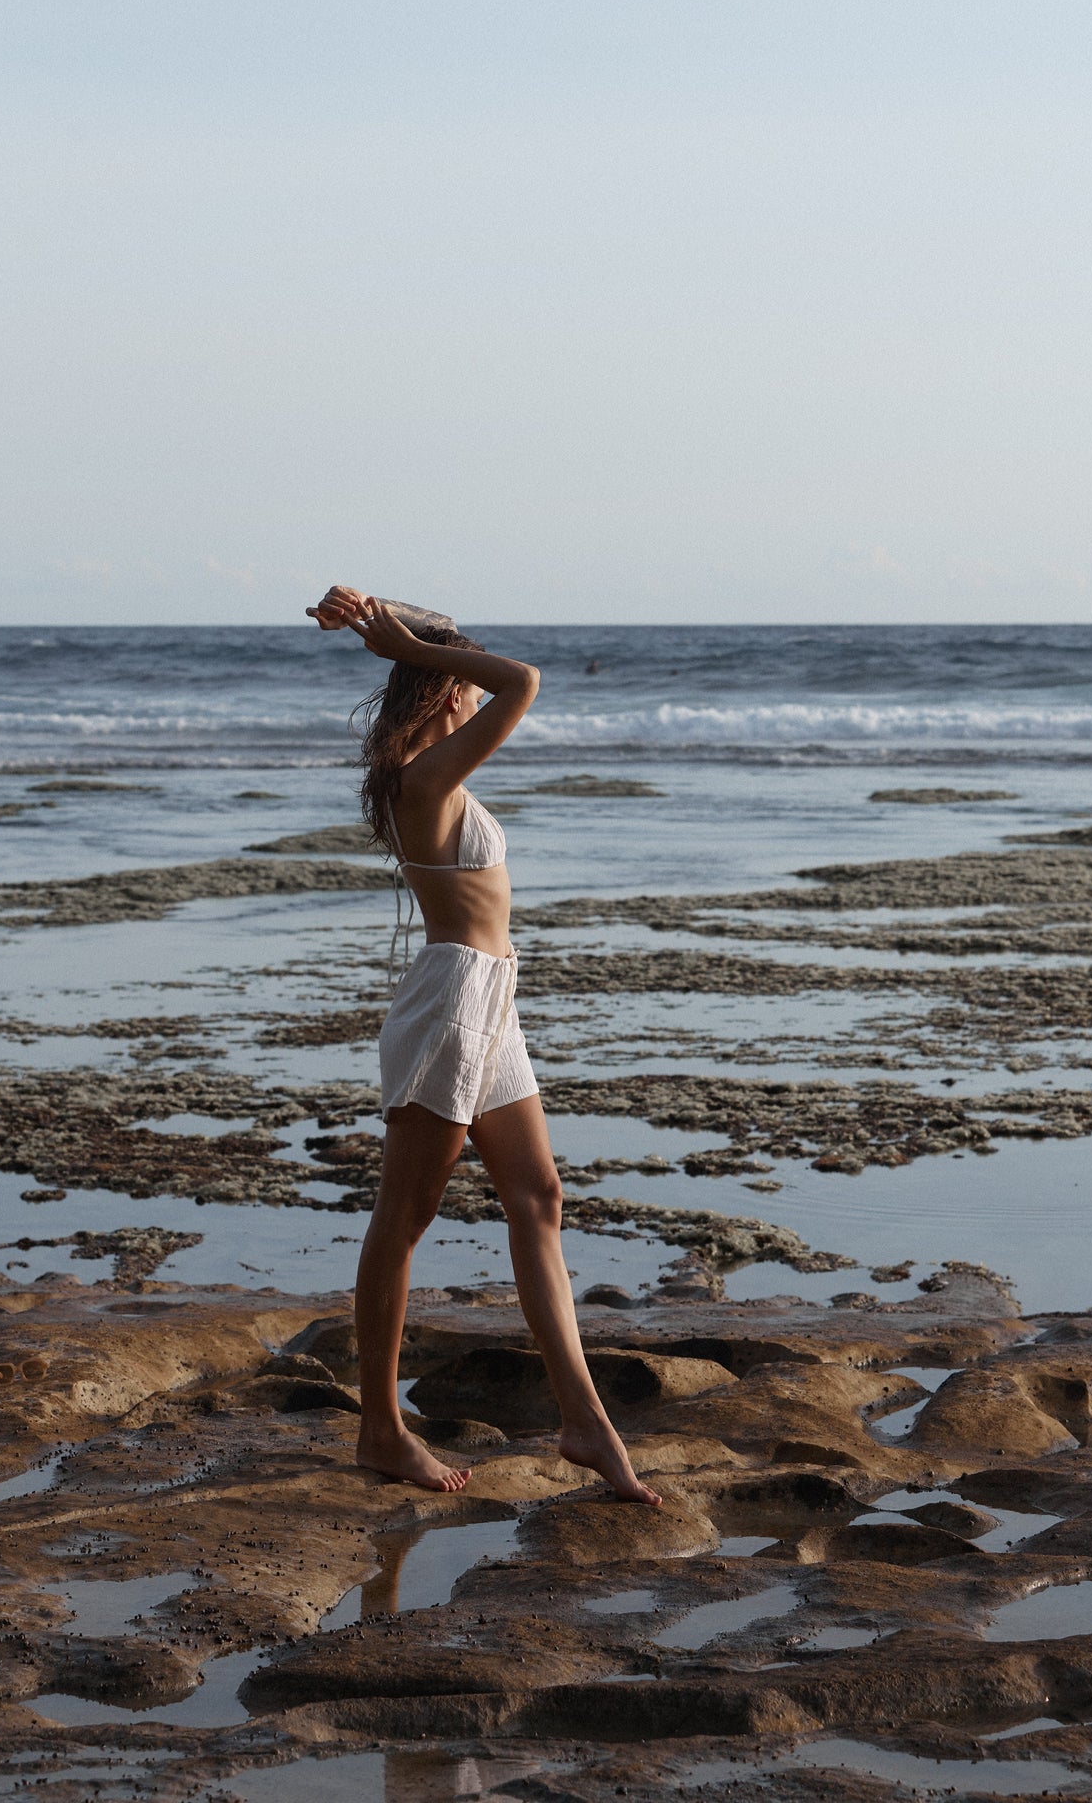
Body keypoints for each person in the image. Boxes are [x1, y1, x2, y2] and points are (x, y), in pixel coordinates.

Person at [307, 585, 659, 1505]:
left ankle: (584, 1423)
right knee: (404, 1219)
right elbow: (522, 680)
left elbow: (499, 681)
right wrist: (412, 649)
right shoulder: (422, 781)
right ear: (439, 687)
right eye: (453, 677)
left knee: (538, 1197)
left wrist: (375, 614)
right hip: (452, 1003)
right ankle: (380, 1431)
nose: (469, 691)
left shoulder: (430, 770)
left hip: (488, 1001)